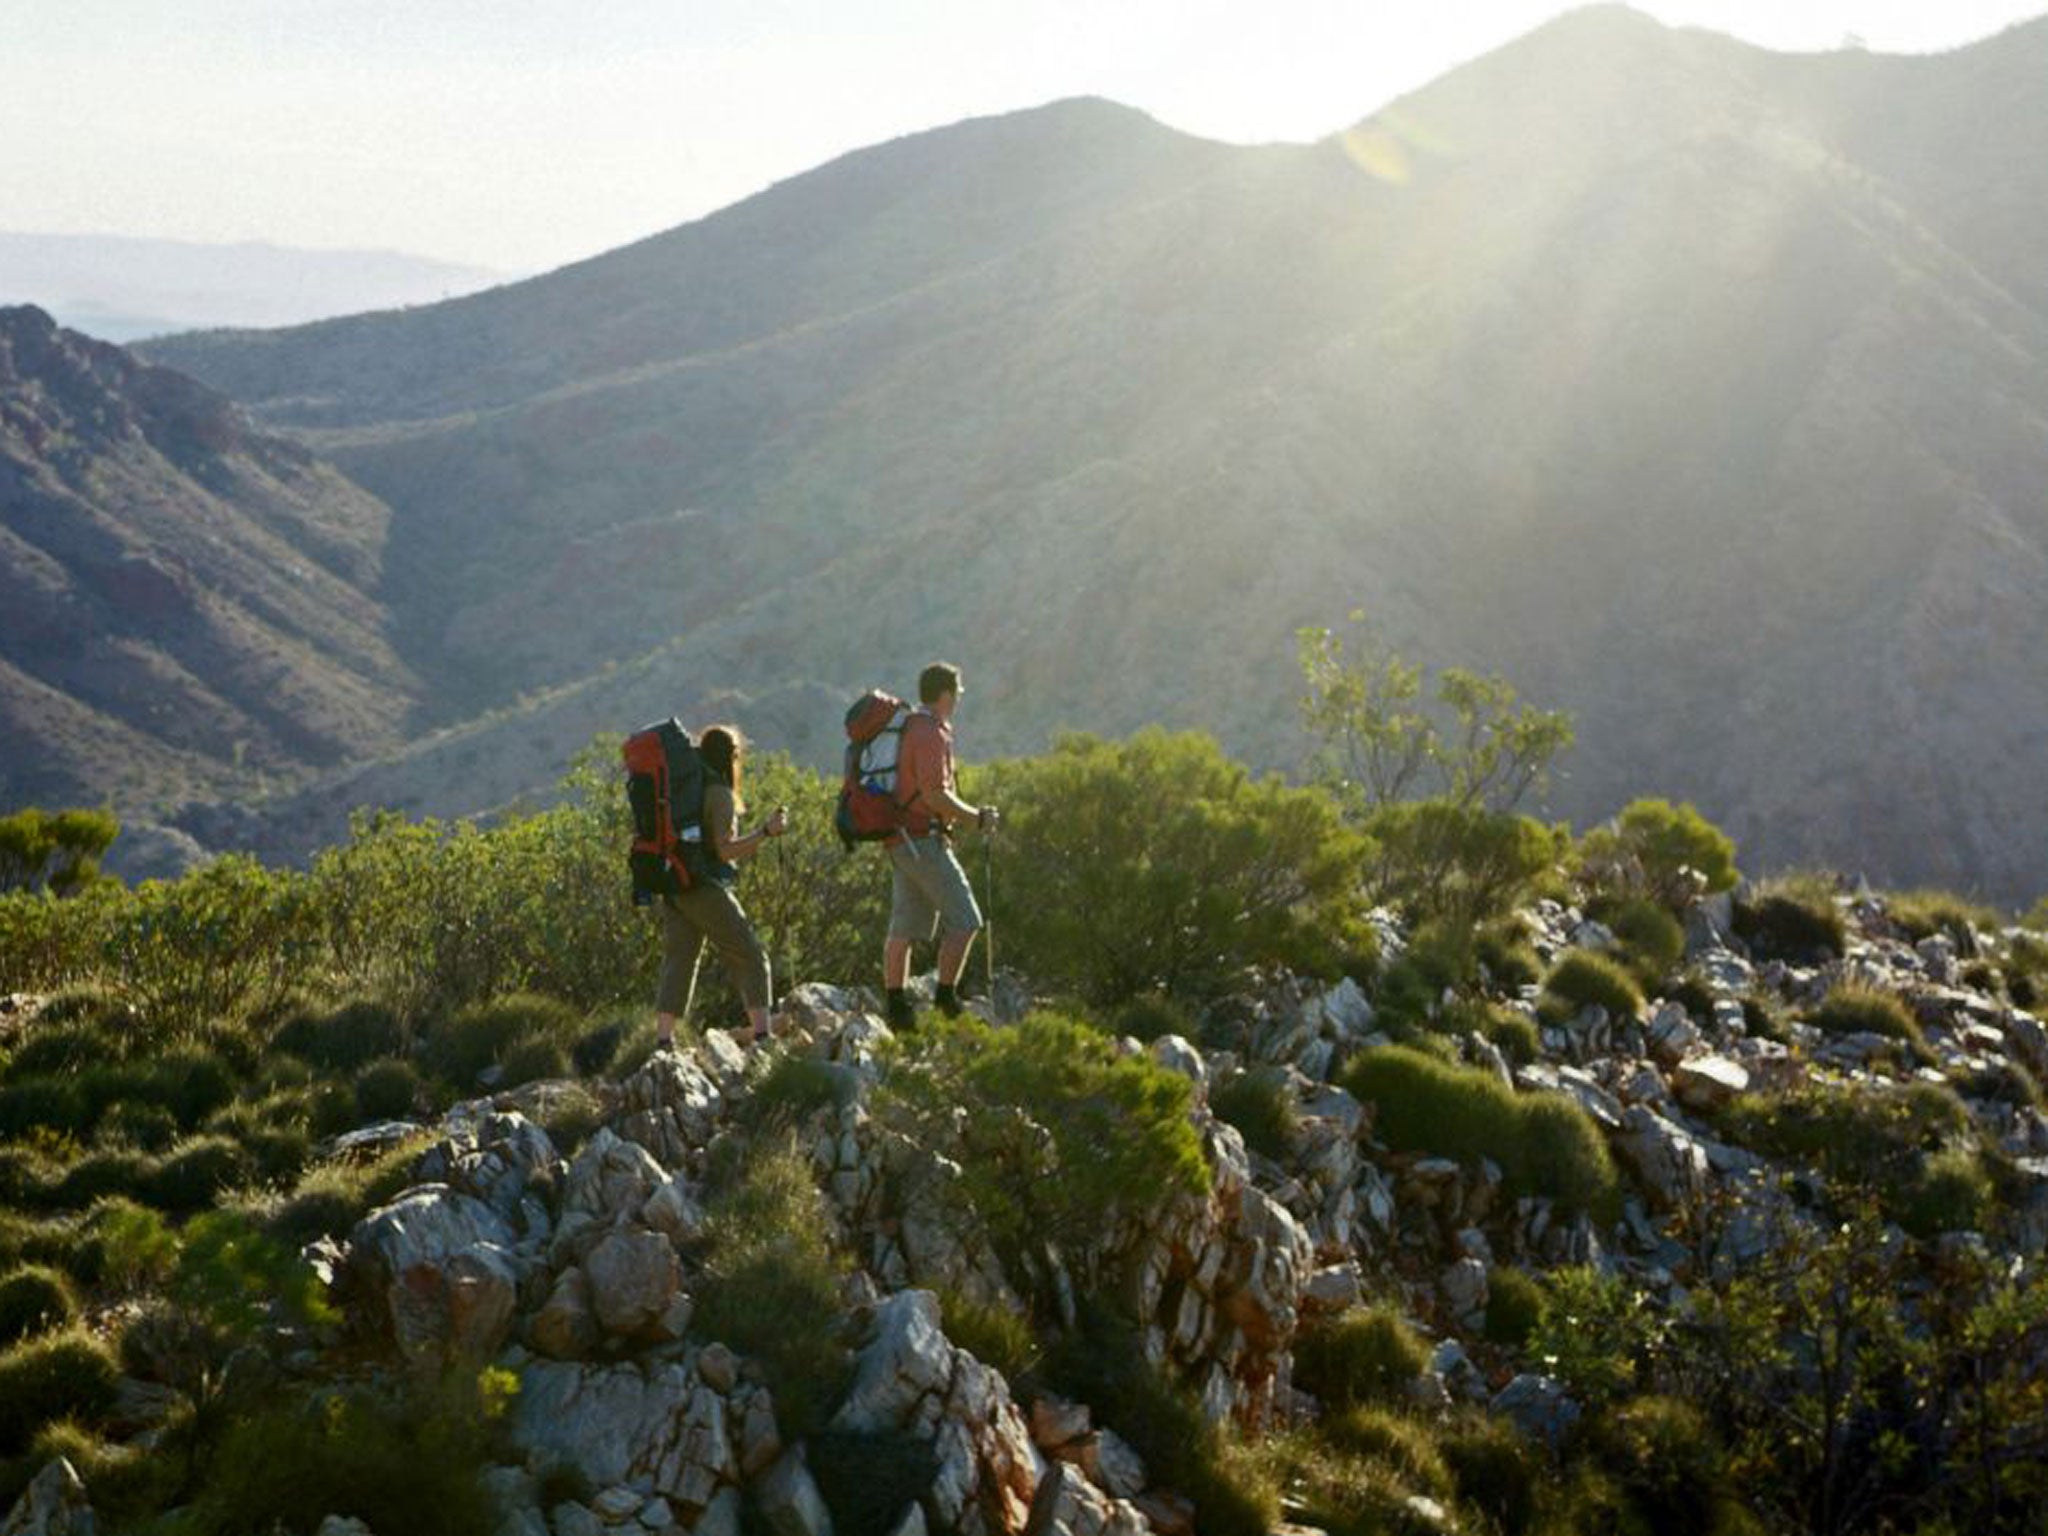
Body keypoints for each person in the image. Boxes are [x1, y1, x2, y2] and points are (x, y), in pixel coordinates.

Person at [655, 725, 788, 1051]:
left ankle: (663, 1042)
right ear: (732, 757)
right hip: (703, 887)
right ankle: (762, 1037)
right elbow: (725, 849)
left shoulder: (685, 786)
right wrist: (766, 833)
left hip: (673, 883)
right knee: (752, 956)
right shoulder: (719, 792)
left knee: (681, 959)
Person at [883, 662, 999, 1029]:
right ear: (946, 694)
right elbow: (935, 794)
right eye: (958, 692)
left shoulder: (909, 726)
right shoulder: (930, 732)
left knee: (905, 926)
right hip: (921, 841)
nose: (959, 699)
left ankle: (897, 1008)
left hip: (900, 839)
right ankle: (945, 999)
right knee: (966, 920)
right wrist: (976, 818)